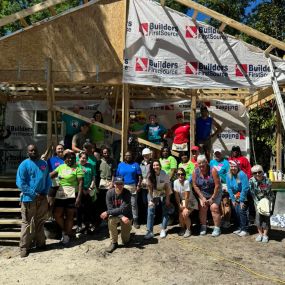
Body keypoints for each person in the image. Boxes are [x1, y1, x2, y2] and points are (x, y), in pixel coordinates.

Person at [16, 144, 51, 258]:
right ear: (28, 152)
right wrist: (33, 194)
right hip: (28, 199)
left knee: (40, 222)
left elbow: (48, 180)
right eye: (31, 150)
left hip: (42, 198)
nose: (33, 152)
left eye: (35, 150)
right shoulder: (24, 164)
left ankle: (41, 243)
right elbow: (21, 183)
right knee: (26, 223)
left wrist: (44, 193)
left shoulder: (44, 164)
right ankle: (24, 248)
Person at [50, 150, 84, 244]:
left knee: (69, 216)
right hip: (60, 193)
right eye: (68, 157)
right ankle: (65, 230)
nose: (70, 159)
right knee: (57, 214)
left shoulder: (78, 168)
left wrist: (79, 198)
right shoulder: (61, 167)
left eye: (72, 157)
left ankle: (66, 235)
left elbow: (81, 183)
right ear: (64, 159)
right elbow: (50, 175)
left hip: (72, 194)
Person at [100, 176, 132, 253]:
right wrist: (120, 216)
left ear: (123, 184)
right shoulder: (109, 193)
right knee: (111, 220)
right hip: (116, 216)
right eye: (117, 184)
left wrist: (107, 212)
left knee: (125, 241)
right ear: (114, 184)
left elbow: (122, 209)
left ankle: (127, 235)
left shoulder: (127, 193)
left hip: (126, 216)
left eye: (121, 184)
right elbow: (110, 209)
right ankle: (114, 242)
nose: (119, 186)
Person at [192, 155, 222, 237]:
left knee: (214, 208)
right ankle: (203, 226)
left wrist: (212, 198)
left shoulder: (213, 170)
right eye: (199, 163)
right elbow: (194, 185)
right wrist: (202, 198)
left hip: (215, 192)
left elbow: (217, 185)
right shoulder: (195, 171)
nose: (201, 165)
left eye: (203, 163)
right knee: (203, 207)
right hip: (203, 193)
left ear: (206, 162)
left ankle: (217, 228)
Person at [144, 160, 172, 239]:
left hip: (163, 192)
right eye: (154, 165)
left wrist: (167, 199)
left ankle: (163, 229)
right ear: (152, 167)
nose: (156, 167)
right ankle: (150, 231)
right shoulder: (149, 175)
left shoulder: (164, 174)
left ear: (160, 166)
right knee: (151, 209)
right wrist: (151, 200)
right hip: (153, 192)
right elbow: (149, 190)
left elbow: (167, 188)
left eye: (157, 165)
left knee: (165, 209)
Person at [116, 151, 142, 229]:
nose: (128, 156)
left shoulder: (135, 164)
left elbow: (140, 176)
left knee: (133, 204)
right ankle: (121, 219)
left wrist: (138, 185)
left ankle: (135, 220)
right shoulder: (120, 165)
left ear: (132, 156)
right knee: (122, 204)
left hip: (132, 186)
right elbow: (117, 176)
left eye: (129, 155)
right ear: (124, 156)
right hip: (122, 186)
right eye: (126, 155)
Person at [249, 165, 274, 243]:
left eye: (259, 172)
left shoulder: (268, 181)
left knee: (266, 217)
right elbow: (252, 193)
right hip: (257, 201)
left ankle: (265, 235)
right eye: (254, 173)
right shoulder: (251, 181)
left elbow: (269, 193)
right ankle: (260, 234)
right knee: (258, 217)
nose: (257, 174)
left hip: (267, 200)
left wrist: (267, 203)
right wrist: (258, 204)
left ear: (263, 172)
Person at [226, 160, 250, 237]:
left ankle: (245, 229)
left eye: (234, 166)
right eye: (231, 166)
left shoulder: (242, 174)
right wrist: (232, 199)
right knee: (236, 211)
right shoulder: (228, 175)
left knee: (242, 210)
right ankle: (239, 227)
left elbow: (245, 188)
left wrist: (242, 200)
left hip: (244, 194)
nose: (233, 168)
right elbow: (229, 188)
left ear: (238, 166)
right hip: (235, 195)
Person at [95, 147, 117, 227]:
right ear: (102, 153)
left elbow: (114, 173)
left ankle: (110, 219)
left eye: (107, 152)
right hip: (101, 183)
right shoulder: (99, 162)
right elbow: (97, 175)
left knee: (110, 201)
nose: (106, 154)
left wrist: (112, 183)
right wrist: (96, 186)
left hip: (110, 183)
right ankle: (102, 219)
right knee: (101, 202)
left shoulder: (113, 161)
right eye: (104, 153)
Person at [174, 168, 198, 238]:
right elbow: (177, 196)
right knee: (180, 215)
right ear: (176, 175)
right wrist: (179, 205)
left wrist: (186, 208)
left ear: (184, 175)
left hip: (191, 201)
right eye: (178, 174)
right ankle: (182, 228)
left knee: (185, 214)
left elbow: (187, 196)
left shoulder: (186, 182)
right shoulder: (175, 182)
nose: (180, 176)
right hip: (183, 201)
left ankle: (188, 229)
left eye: (182, 174)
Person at [210, 148, 231, 228]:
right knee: (218, 204)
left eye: (218, 153)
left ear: (221, 154)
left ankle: (227, 221)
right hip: (215, 185)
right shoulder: (212, 162)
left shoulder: (226, 163)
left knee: (226, 203)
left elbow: (229, 175)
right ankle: (221, 219)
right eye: (216, 153)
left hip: (224, 184)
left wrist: (228, 186)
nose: (217, 155)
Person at [76, 151, 96, 234]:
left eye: (85, 158)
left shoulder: (90, 166)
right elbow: (75, 179)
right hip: (79, 191)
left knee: (88, 208)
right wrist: (82, 190)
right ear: (79, 158)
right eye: (82, 158)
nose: (83, 159)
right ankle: (79, 225)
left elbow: (93, 177)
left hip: (88, 190)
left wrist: (90, 188)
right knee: (79, 209)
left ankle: (88, 226)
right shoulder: (76, 166)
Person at [139, 147, 152, 223]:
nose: (146, 157)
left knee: (150, 201)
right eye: (145, 155)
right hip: (143, 186)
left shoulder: (152, 163)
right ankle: (146, 217)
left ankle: (150, 218)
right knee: (144, 201)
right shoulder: (140, 164)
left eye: (147, 155)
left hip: (150, 186)